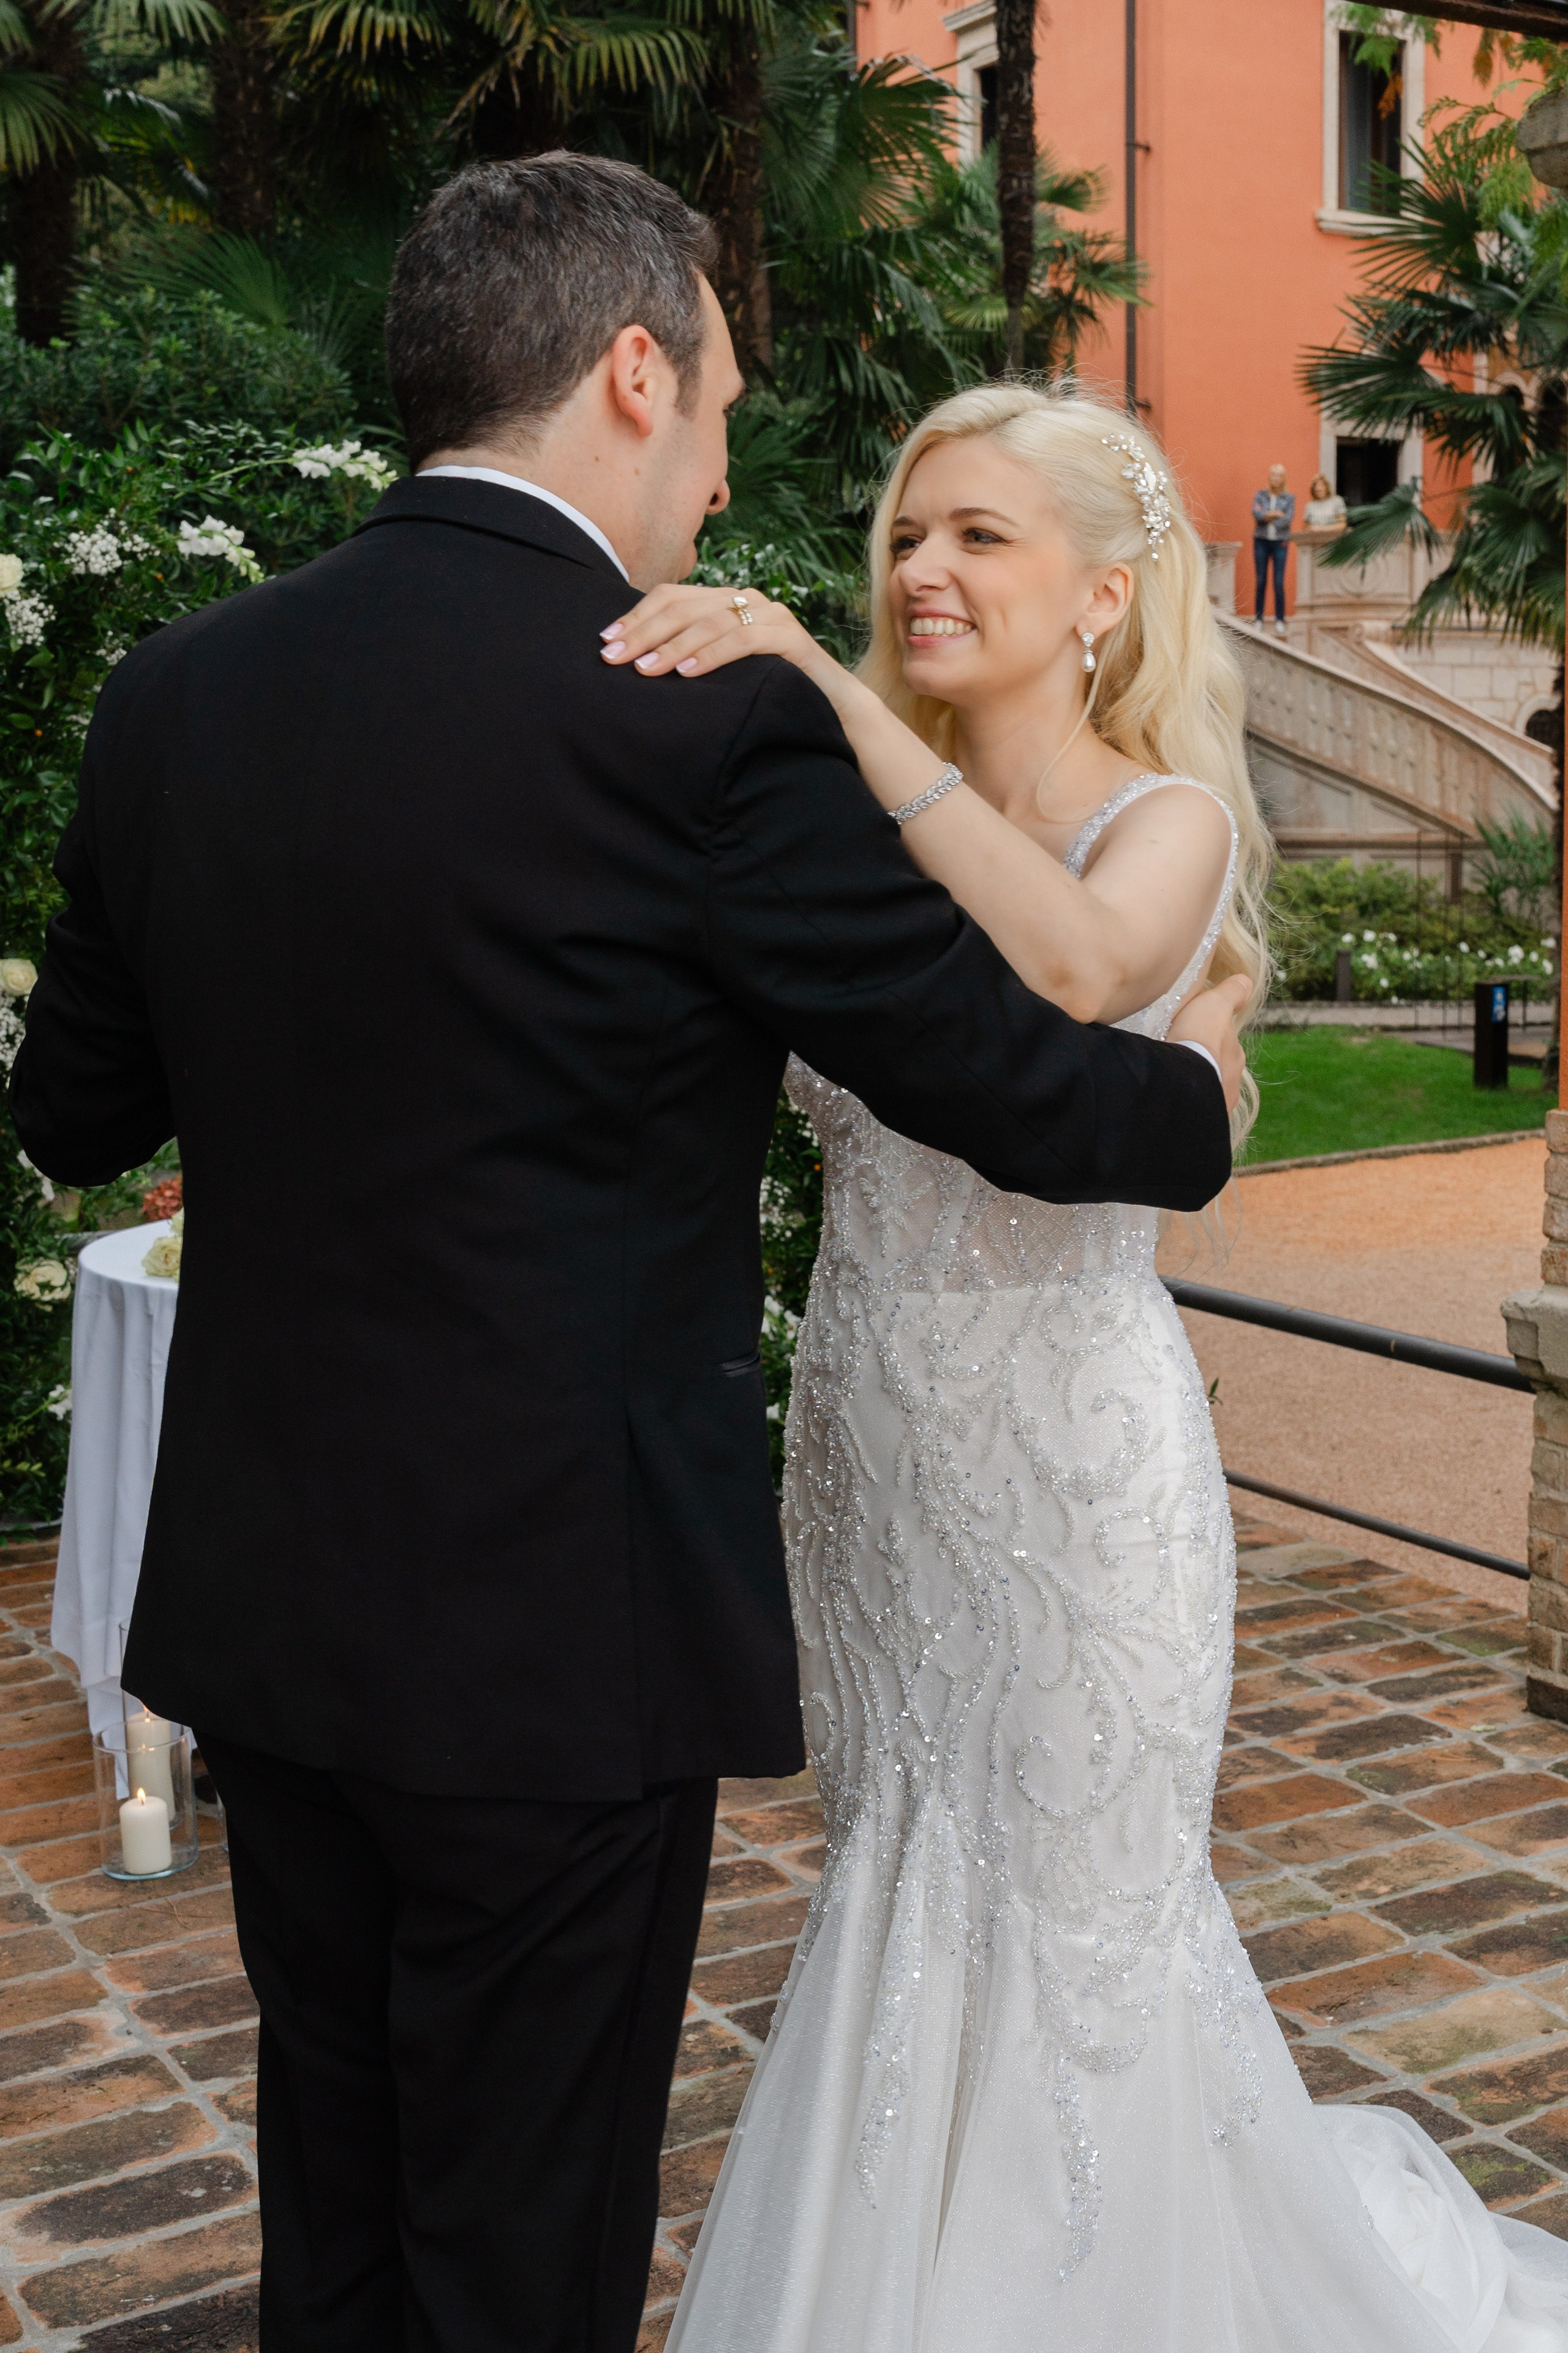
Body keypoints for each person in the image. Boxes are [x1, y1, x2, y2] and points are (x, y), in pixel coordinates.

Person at [5, 161, 1244, 2353]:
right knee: (522, 2262)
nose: (734, 471)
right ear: (632, 369)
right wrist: (1209, 1085)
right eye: (725, 409)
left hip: (275, 1613)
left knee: (346, 2213)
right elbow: (1024, 1094)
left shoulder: (174, 693)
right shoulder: (691, 720)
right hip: (552, 1650)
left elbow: (76, 1111)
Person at [605, 385, 1568, 2352]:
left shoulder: (1169, 816)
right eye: (902, 538)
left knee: (1070, 1925)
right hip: (874, 1448)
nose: (917, 570)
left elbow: (1064, 970)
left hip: (1077, 1469)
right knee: (902, 1882)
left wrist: (819, 679)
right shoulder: (838, 827)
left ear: (1102, 599)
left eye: (976, 535)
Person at [1253, 460, 1294, 634]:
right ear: (1269, 477)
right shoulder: (1260, 495)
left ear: (1283, 479)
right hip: (1261, 541)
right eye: (1273, 475)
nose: (1276, 478)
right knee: (1261, 580)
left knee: (1278, 581)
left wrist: (1268, 516)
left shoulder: (1289, 498)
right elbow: (1256, 513)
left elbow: (1287, 520)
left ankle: (1280, 619)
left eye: (1279, 476)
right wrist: (1275, 514)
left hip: (1280, 543)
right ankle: (1259, 618)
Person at [1302, 470, 1348, 535]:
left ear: (1327, 487)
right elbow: (1305, 528)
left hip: (1334, 540)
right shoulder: (1310, 506)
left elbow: (1342, 525)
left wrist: (1321, 529)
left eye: (1320, 485)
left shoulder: (1337, 501)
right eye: (1315, 486)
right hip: (1315, 541)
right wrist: (1310, 529)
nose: (1318, 489)